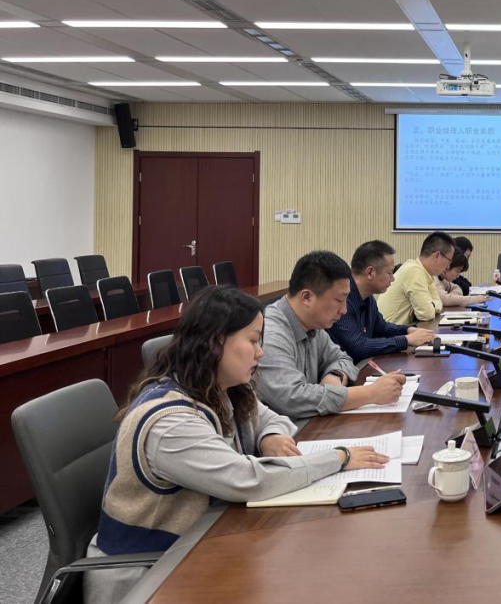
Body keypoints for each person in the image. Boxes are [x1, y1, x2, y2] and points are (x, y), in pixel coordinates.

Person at [84, 287, 389, 604]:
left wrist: (268, 436)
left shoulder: (220, 386)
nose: (261, 352)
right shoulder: (170, 423)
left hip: (197, 545)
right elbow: (248, 479)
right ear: (214, 342)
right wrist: (338, 458)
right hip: (148, 575)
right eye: (253, 340)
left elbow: (273, 418)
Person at [258, 251, 406, 420]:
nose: (344, 310)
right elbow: (292, 398)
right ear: (307, 297)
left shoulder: (313, 324)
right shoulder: (270, 331)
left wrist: (335, 375)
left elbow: (342, 358)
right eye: (339, 300)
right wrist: (370, 393)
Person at [327, 240, 436, 363]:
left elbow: (381, 327)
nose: (393, 278)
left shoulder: (367, 297)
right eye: (389, 272)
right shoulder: (343, 300)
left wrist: (407, 330)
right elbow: (358, 347)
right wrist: (406, 340)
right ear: (370, 272)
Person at [377, 231, 454, 325]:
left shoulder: (425, 273)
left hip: (400, 330)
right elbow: (426, 314)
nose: (448, 267)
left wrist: (432, 305)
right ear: (437, 255)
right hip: (388, 332)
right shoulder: (414, 271)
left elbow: (439, 303)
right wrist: (432, 306)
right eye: (449, 261)